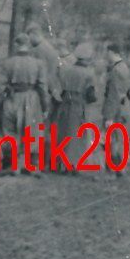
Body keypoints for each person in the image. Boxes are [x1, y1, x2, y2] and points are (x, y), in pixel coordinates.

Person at [0, 34, 48, 171]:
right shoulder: (38, 63)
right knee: (32, 131)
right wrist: (45, 106)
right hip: (31, 98)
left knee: (10, 130)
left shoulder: (8, 63)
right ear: (28, 45)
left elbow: (1, 85)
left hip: (12, 97)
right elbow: (43, 86)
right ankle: (32, 165)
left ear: (16, 45)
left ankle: (12, 165)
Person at [55, 42, 98, 171]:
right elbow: (91, 95)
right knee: (77, 135)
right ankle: (73, 165)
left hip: (65, 104)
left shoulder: (66, 70)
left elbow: (60, 89)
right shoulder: (89, 74)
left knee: (63, 134)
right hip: (79, 105)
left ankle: (60, 164)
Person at [102, 42, 130, 177]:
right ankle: (119, 168)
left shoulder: (115, 70)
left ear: (111, 53)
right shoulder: (124, 67)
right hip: (124, 107)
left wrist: (109, 116)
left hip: (115, 109)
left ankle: (114, 169)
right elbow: (129, 91)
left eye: (107, 53)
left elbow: (113, 95)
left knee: (112, 139)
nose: (105, 55)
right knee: (118, 138)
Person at [29, 28, 62, 122]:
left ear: (34, 34)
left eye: (30, 37)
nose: (29, 41)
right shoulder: (49, 47)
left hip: (44, 89)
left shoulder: (39, 50)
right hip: (53, 88)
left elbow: (40, 73)